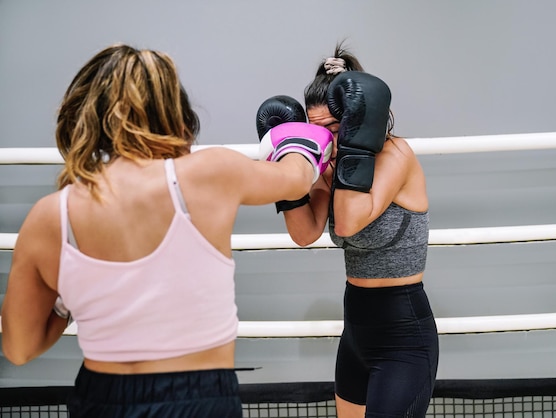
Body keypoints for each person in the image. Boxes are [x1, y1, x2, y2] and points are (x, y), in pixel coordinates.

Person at [1, 43, 333, 417]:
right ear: (175, 111)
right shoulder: (210, 174)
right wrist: (305, 138)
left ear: (85, 115)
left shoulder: (50, 216)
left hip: (99, 397)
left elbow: (19, 347)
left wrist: (68, 298)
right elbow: (297, 177)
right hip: (200, 396)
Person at [274, 43, 439, 418]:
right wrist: (293, 165)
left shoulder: (396, 157)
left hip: (403, 336)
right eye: (320, 133)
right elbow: (304, 233)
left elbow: (348, 221)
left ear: (359, 120)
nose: (330, 141)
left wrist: (349, 151)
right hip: (356, 334)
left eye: (337, 128)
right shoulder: (327, 167)